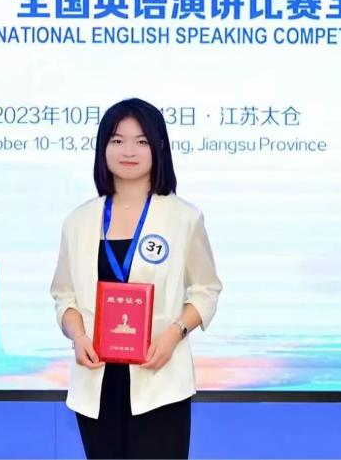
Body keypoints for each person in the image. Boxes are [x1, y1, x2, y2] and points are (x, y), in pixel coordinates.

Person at [50, 98, 223, 459]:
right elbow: (64, 296)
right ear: (103, 148)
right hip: (96, 381)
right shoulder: (79, 221)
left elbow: (206, 290)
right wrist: (78, 336)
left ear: (159, 148)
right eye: (117, 140)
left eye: (141, 141)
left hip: (159, 377)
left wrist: (175, 332)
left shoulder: (184, 217)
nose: (128, 151)